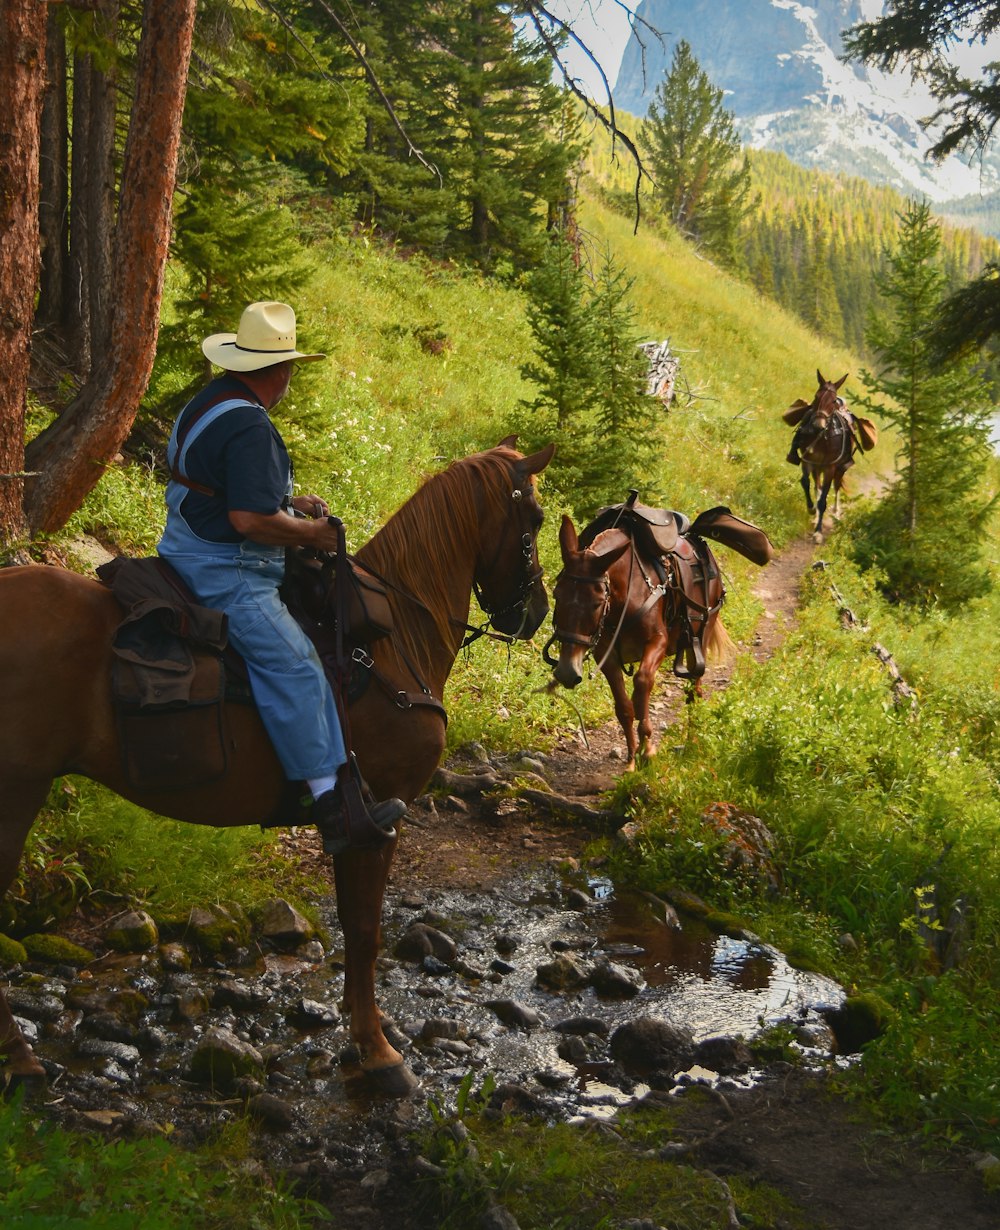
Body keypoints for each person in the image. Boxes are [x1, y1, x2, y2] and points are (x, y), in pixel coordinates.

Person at [157, 300, 406, 854]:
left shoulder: (210, 402)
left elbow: (215, 482)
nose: (291, 375)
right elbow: (246, 520)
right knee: (295, 665)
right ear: (279, 370)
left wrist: (284, 500)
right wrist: (312, 535)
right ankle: (332, 806)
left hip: (182, 546)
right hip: (226, 571)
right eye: (290, 365)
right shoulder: (250, 424)